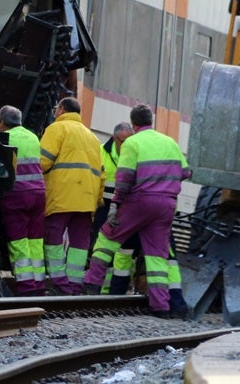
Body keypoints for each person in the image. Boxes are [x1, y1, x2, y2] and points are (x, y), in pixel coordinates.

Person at [82, 104, 191, 319]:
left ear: (133, 124)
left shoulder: (132, 142)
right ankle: (161, 306)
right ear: (151, 121)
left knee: (107, 237)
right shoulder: (170, 142)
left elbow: (124, 178)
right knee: (157, 255)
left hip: (140, 201)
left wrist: (115, 205)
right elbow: (186, 172)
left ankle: (91, 284)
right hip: (167, 205)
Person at [40, 97, 105, 295]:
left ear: (61, 109)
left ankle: (60, 282)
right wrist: (97, 200)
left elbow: (42, 161)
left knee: (53, 236)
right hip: (87, 199)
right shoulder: (92, 137)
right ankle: (74, 285)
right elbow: (102, 174)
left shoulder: (57, 129)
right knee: (80, 241)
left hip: (62, 196)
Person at [0, 106, 48, 295]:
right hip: (38, 194)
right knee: (35, 240)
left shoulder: (5, 138)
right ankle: (39, 285)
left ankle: (26, 287)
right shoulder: (33, 137)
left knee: (18, 240)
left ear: (2, 122)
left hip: (17, 195)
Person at [92, 122, 134, 240]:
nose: (127, 145)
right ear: (114, 138)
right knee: (97, 239)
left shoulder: (135, 155)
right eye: (124, 142)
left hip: (124, 207)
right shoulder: (99, 151)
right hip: (101, 206)